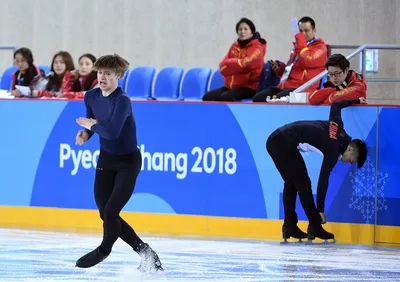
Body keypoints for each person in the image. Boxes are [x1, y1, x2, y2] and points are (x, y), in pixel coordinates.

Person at [75, 54, 163, 273]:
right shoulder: (91, 96)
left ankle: (103, 250)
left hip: (127, 162)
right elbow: (92, 125)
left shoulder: (121, 100)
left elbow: (112, 132)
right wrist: (86, 134)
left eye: (107, 73)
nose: (102, 77)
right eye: (99, 72)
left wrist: (93, 125)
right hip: (106, 159)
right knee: (105, 213)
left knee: (112, 211)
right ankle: (146, 252)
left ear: (119, 76)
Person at [266, 97, 368, 242]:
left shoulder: (337, 125)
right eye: (353, 159)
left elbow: (336, 105)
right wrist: (319, 209)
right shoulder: (333, 150)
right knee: (303, 183)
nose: (349, 163)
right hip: (283, 142)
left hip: (275, 139)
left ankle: (289, 225)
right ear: (350, 148)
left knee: (292, 183)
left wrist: (358, 99)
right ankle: (314, 225)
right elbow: (323, 179)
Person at [253, 16, 327, 102]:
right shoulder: (298, 47)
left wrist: (300, 40)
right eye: (300, 31)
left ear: (314, 31)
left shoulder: (320, 47)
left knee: (274, 101)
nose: (303, 34)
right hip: (285, 86)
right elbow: (291, 69)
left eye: (306, 31)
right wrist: (280, 69)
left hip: (302, 89)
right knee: (258, 98)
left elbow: (306, 61)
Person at [202, 17, 267, 101]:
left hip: (249, 87)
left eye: (245, 29)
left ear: (252, 32)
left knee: (226, 97)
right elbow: (222, 67)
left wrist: (231, 66)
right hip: (231, 86)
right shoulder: (234, 46)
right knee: (207, 97)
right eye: (240, 29)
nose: (242, 32)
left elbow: (247, 64)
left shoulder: (258, 47)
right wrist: (238, 66)